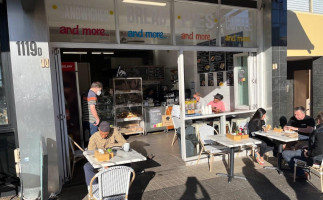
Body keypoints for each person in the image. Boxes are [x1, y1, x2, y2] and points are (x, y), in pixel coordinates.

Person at [83, 121, 126, 187]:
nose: (103, 136)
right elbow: (91, 154)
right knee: (87, 167)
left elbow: (124, 143)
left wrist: (112, 145)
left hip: (114, 157)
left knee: (126, 163)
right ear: (99, 129)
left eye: (106, 134)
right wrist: (103, 164)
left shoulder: (114, 131)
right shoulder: (93, 137)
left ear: (109, 131)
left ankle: (122, 186)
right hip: (99, 160)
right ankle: (93, 189)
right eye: (102, 134)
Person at [282, 112, 323, 178]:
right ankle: (303, 170)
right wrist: (308, 147)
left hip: (315, 159)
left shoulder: (319, 132)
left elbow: (319, 150)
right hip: (317, 157)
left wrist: (307, 153)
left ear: (318, 120)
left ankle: (301, 173)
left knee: (285, 153)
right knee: (299, 148)